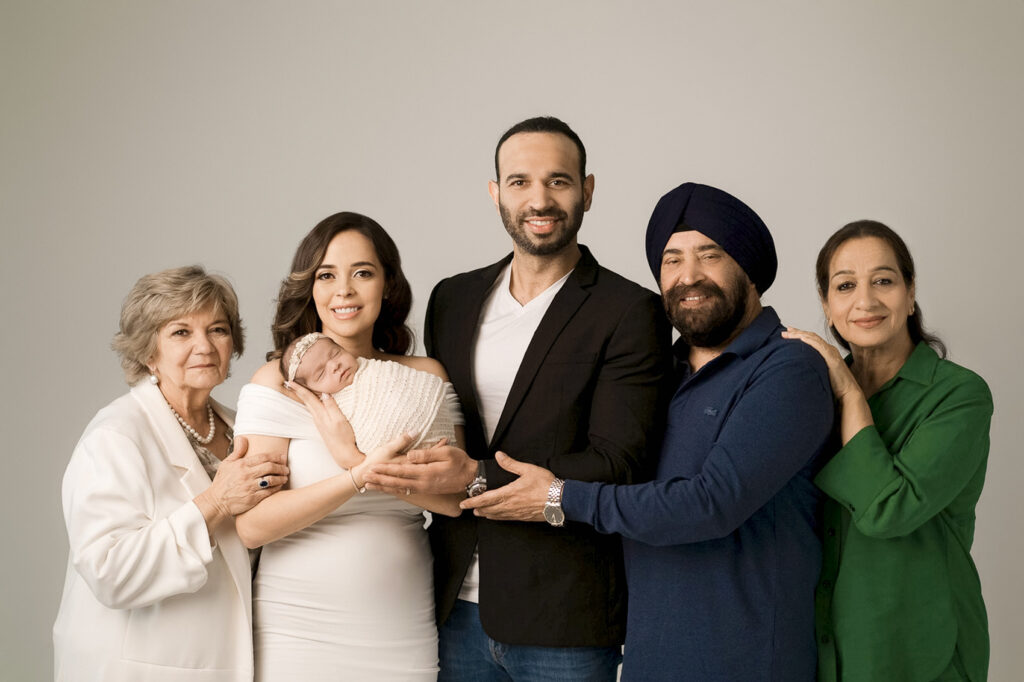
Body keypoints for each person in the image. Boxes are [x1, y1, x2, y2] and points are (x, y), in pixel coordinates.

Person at [461, 182, 836, 681]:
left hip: (748, 661)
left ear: (749, 269)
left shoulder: (788, 369)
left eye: (710, 255)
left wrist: (558, 497)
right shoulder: (661, 371)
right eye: (671, 260)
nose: (689, 276)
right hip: (649, 660)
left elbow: (710, 504)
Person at [363, 116, 671, 681]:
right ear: (495, 192)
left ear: (588, 190)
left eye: (559, 181)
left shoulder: (630, 311)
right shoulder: (452, 299)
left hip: (566, 613)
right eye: (520, 181)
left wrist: (474, 477)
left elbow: (619, 462)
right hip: (451, 605)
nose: (540, 199)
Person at [232, 212, 465, 681]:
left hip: (400, 627)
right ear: (310, 289)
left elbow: (454, 500)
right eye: (326, 275)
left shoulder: (424, 378)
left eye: (362, 272)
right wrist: (354, 478)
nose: (344, 290)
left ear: (387, 285)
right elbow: (253, 526)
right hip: (297, 629)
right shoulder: (277, 384)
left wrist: (356, 461)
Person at [52, 265, 288, 682]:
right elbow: (110, 572)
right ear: (148, 350)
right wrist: (214, 503)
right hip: (139, 669)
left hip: (227, 660)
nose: (204, 346)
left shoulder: (243, 426)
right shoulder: (115, 435)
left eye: (217, 329)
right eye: (181, 332)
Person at [782, 220, 992, 682]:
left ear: (911, 292)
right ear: (826, 303)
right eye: (845, 285)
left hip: (920, 652)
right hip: (824, 649)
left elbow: (890, 511)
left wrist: (851, 395)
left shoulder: (959, 396)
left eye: (883, 281)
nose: (866, 301)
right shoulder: (809, 394)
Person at [280, 331, 460, 460]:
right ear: (315, 392)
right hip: (399, 458)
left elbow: (418, 384)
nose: (334, 366)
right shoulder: (331, 407)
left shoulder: (374, 368)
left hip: (441, 435)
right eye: (321, 374)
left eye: (335, 354)